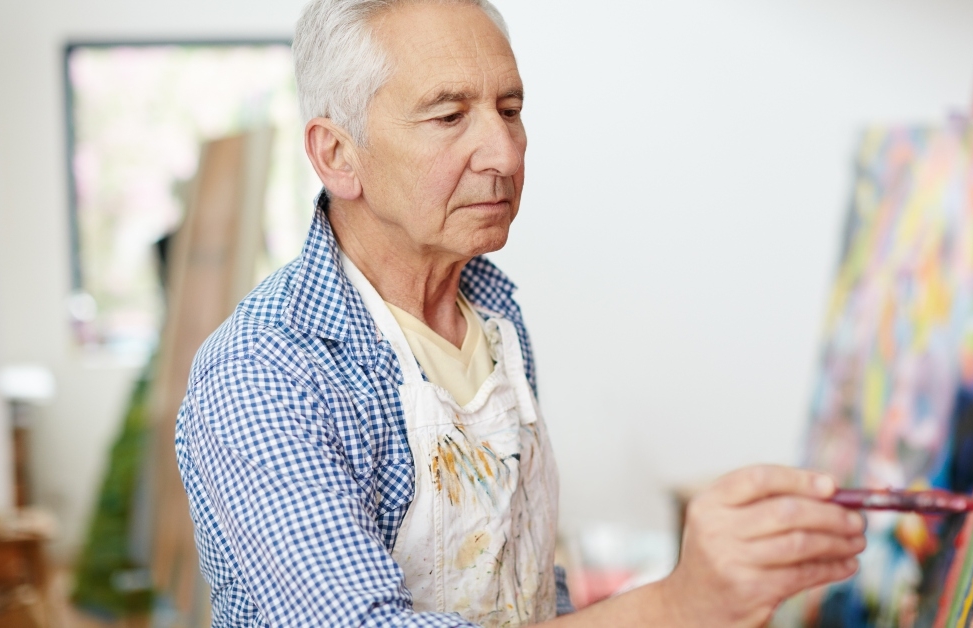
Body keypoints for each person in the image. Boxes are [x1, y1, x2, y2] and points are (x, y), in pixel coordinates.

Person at [175, 0, 867, 625]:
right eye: (449, 116)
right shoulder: (264, 373)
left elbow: (527, 588)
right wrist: (676, 603)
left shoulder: (496, 320)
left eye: (509, 110)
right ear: (337, 154)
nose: (505, 153)